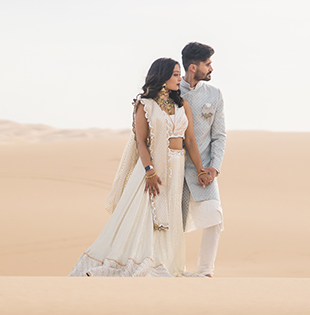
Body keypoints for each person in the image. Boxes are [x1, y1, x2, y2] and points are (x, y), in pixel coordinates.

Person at [69, 57, 209, 277]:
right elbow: (141, 143)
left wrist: (201, 169)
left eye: (179, 73)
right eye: (174, 74)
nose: (179, 78)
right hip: (151, 170)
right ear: (162, 78)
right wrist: (149, 171)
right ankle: (135, 260)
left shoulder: (183, 105)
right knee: (143, 218)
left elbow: (190, 141)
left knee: (170, 219)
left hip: (177, 165)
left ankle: (166, 262)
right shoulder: (145, 105)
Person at [180, 41, 226, 277]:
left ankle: (205, 271)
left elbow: (219, 136)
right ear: (192, 67)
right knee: (174, 225)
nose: (211, 68)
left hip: (205, 173)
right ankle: (175, 269)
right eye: (207, 64)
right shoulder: (171, 93)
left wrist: (214, 169)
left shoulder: (214, 94)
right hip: (175, 171)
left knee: (214, 219)